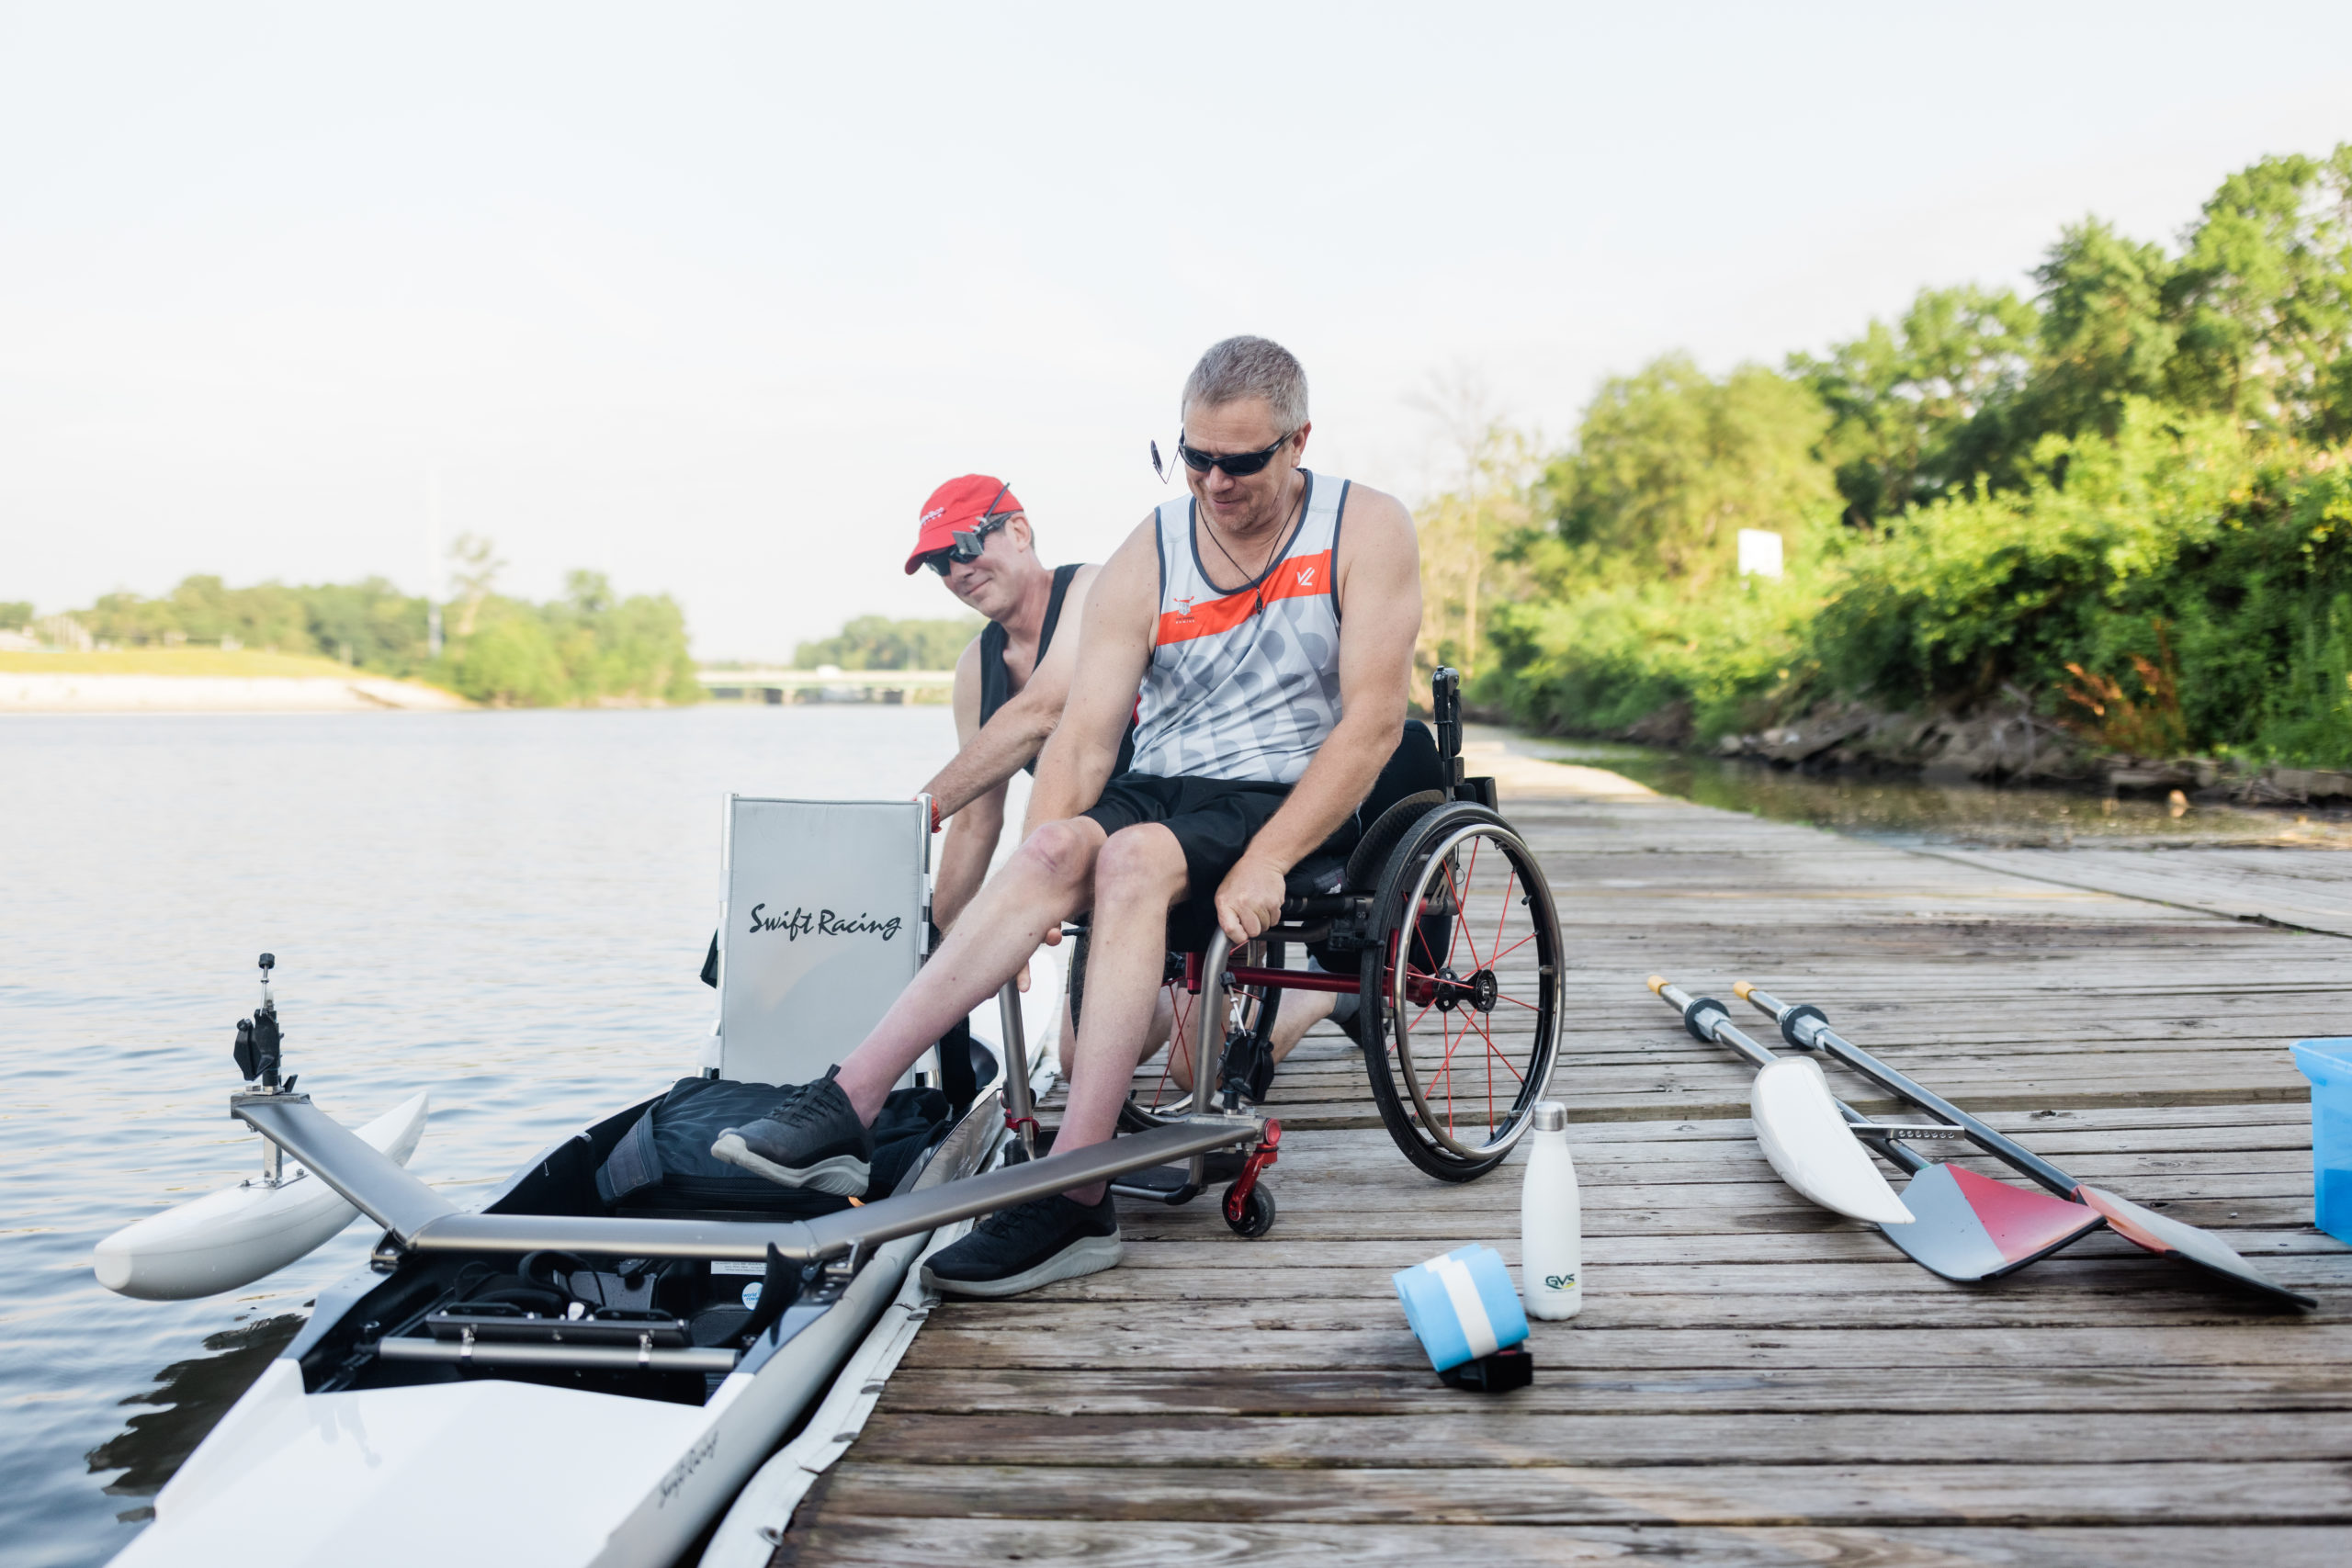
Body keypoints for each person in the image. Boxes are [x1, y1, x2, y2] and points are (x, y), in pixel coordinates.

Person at [713, 335, 1421, 1297]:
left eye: (1240, 463)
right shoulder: (1153, 546)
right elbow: (1084, 737)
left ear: (1297, 441)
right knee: (1054, 843)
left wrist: (1269, 857)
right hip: (1165, 786)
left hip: (1286, 794)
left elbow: (1374, 721)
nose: (1214, 482)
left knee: (1130, 860)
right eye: (1195, 457)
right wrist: (1035, 880)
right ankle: (850, 1097)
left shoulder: (1364, 527)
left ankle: (1076, 1196)